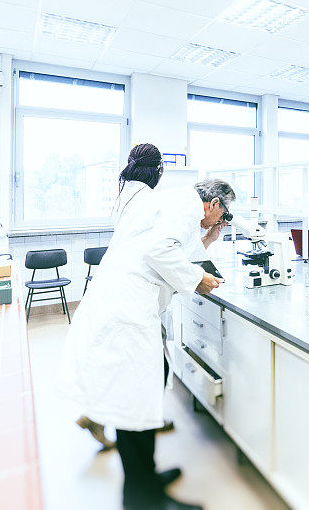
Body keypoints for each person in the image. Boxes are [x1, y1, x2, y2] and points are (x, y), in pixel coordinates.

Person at [59, 179, 234, 510]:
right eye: (224, 213)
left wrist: (208, 240)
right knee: (133, 402)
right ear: (212, 204)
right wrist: (198, 278)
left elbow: (171, 249)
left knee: (147, 388)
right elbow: (161, 251)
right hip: (128, 314)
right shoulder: (185, 205)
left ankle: (147, 479)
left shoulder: (175, 203)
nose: (222, 219)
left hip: (127, 307)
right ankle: (142, 498)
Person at [75, 143, 168, 451]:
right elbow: (160, 250)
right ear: (157, 169)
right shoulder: (150, 200)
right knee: (141, 365)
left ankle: (99, 416)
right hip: (132, 294)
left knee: (122, 361)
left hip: (112, 288)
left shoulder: (126, 196)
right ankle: (130, 419)